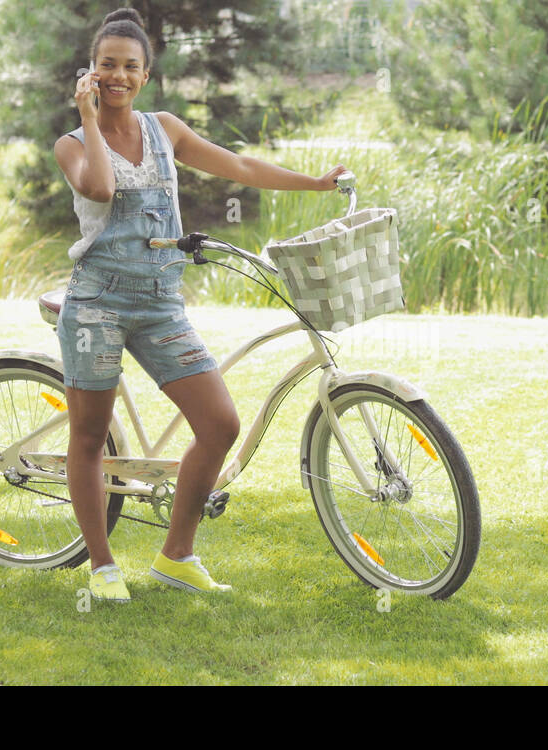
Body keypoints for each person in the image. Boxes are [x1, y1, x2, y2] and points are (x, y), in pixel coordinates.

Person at [53, 7, 347, 601]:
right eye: (106, 65)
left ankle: (176, 555)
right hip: (97, 305)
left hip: (161, 303)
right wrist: (87, 116)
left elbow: (237, 164)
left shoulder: (165, 128)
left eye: (129, 67)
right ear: (91, 70)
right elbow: (101, 189)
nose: (118, 75)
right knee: (89, 438)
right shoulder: (72, 143)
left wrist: (313, 183)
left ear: (146, 73)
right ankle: (103, 567)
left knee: (219, 423)